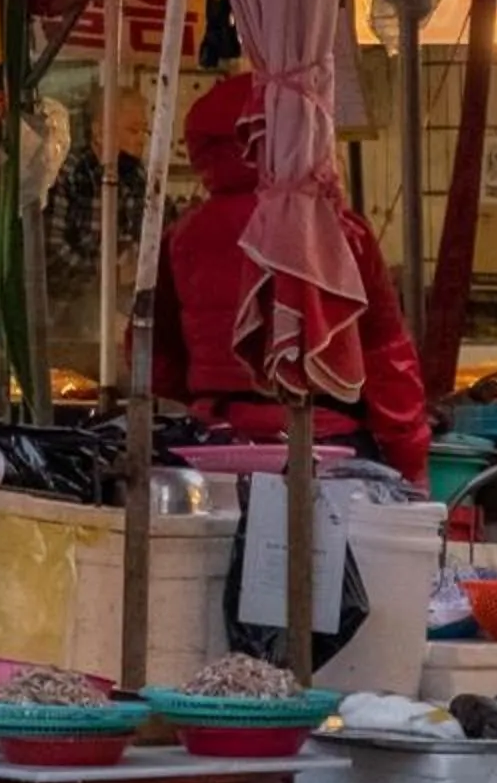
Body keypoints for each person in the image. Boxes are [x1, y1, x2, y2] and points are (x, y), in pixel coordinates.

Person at [153, 74, 430, 486]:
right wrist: (411, 461)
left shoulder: (181, 236)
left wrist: (219, 396)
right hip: (328, 446)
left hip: (215, 449)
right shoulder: (338, 229)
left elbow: (156, 359)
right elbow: (387, 357)